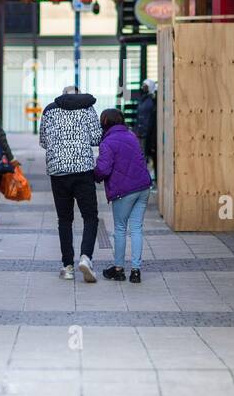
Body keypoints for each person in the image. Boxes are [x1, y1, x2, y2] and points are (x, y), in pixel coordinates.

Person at [38, 84, 102, 282]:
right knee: (90, 216)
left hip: (58, 172)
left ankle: (67, 266)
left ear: (62, 94)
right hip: (83, 169)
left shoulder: (49, 110)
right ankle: (86, 257)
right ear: (79, 94)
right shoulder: (87, 108)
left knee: (64, 220)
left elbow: (43, 141)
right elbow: (97, 138)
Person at [93, 108, 154, 283]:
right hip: (143, 187)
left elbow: (103, 170)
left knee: (120, 228)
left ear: (104, 123)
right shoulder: (131, 136)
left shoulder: (107, 142)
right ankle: (136, 271)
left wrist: (93, 175)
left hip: (124, 191)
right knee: (136, 229)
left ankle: (118, 269)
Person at [135, 80, 157, 183]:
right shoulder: (142, 99)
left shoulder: (152, 100)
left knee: (144, 156)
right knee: (140, 156)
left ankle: (146, 179)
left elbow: (149, 118)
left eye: (145, 86)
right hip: (140, 132)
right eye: (142, 85)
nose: (142, 87)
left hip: (146, 133)